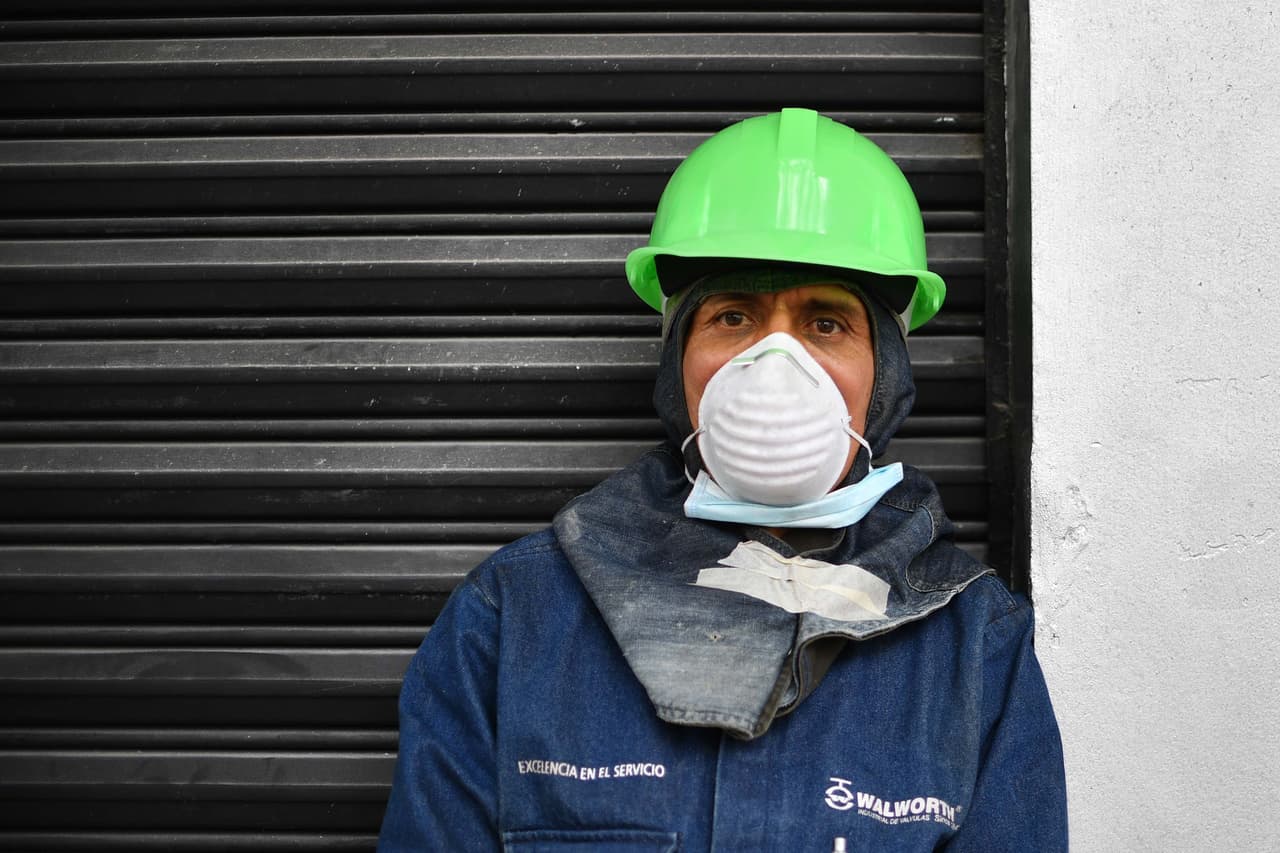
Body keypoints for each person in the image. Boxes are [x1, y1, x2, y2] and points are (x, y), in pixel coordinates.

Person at [377, 108, 1067, 852]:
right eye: (733, 315)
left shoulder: (972, 650)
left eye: (826, 323)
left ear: (888, 375)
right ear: (679, 363)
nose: (776, 365)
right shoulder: (514, 622)